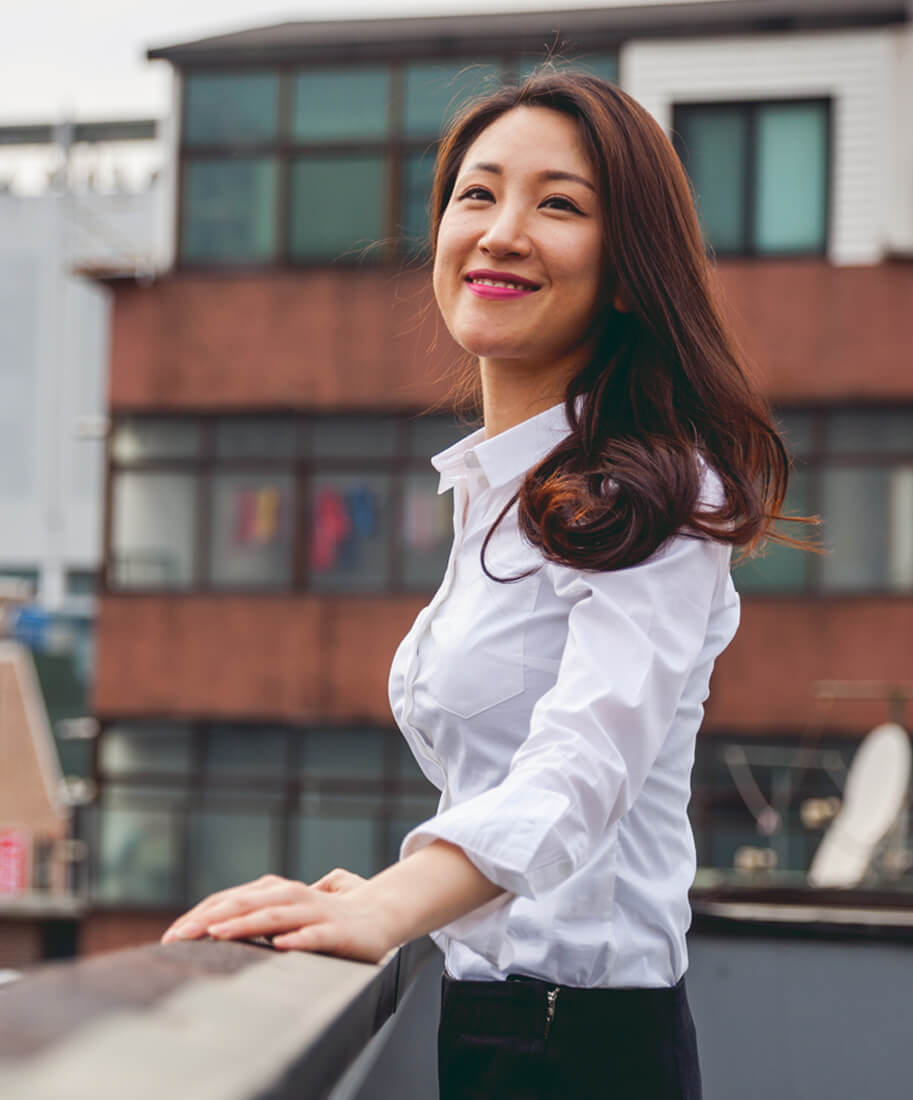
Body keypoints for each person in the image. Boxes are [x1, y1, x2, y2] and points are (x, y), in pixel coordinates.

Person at [162, 72, 814, 1098]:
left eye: (557, 204)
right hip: (489, 1017)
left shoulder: (659, 493)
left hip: (586, 1046)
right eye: (477, 194)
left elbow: (579, 765)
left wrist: (390, 902)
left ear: (630, 269)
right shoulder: (499, 492)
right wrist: (386, 894)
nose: (501, 231)